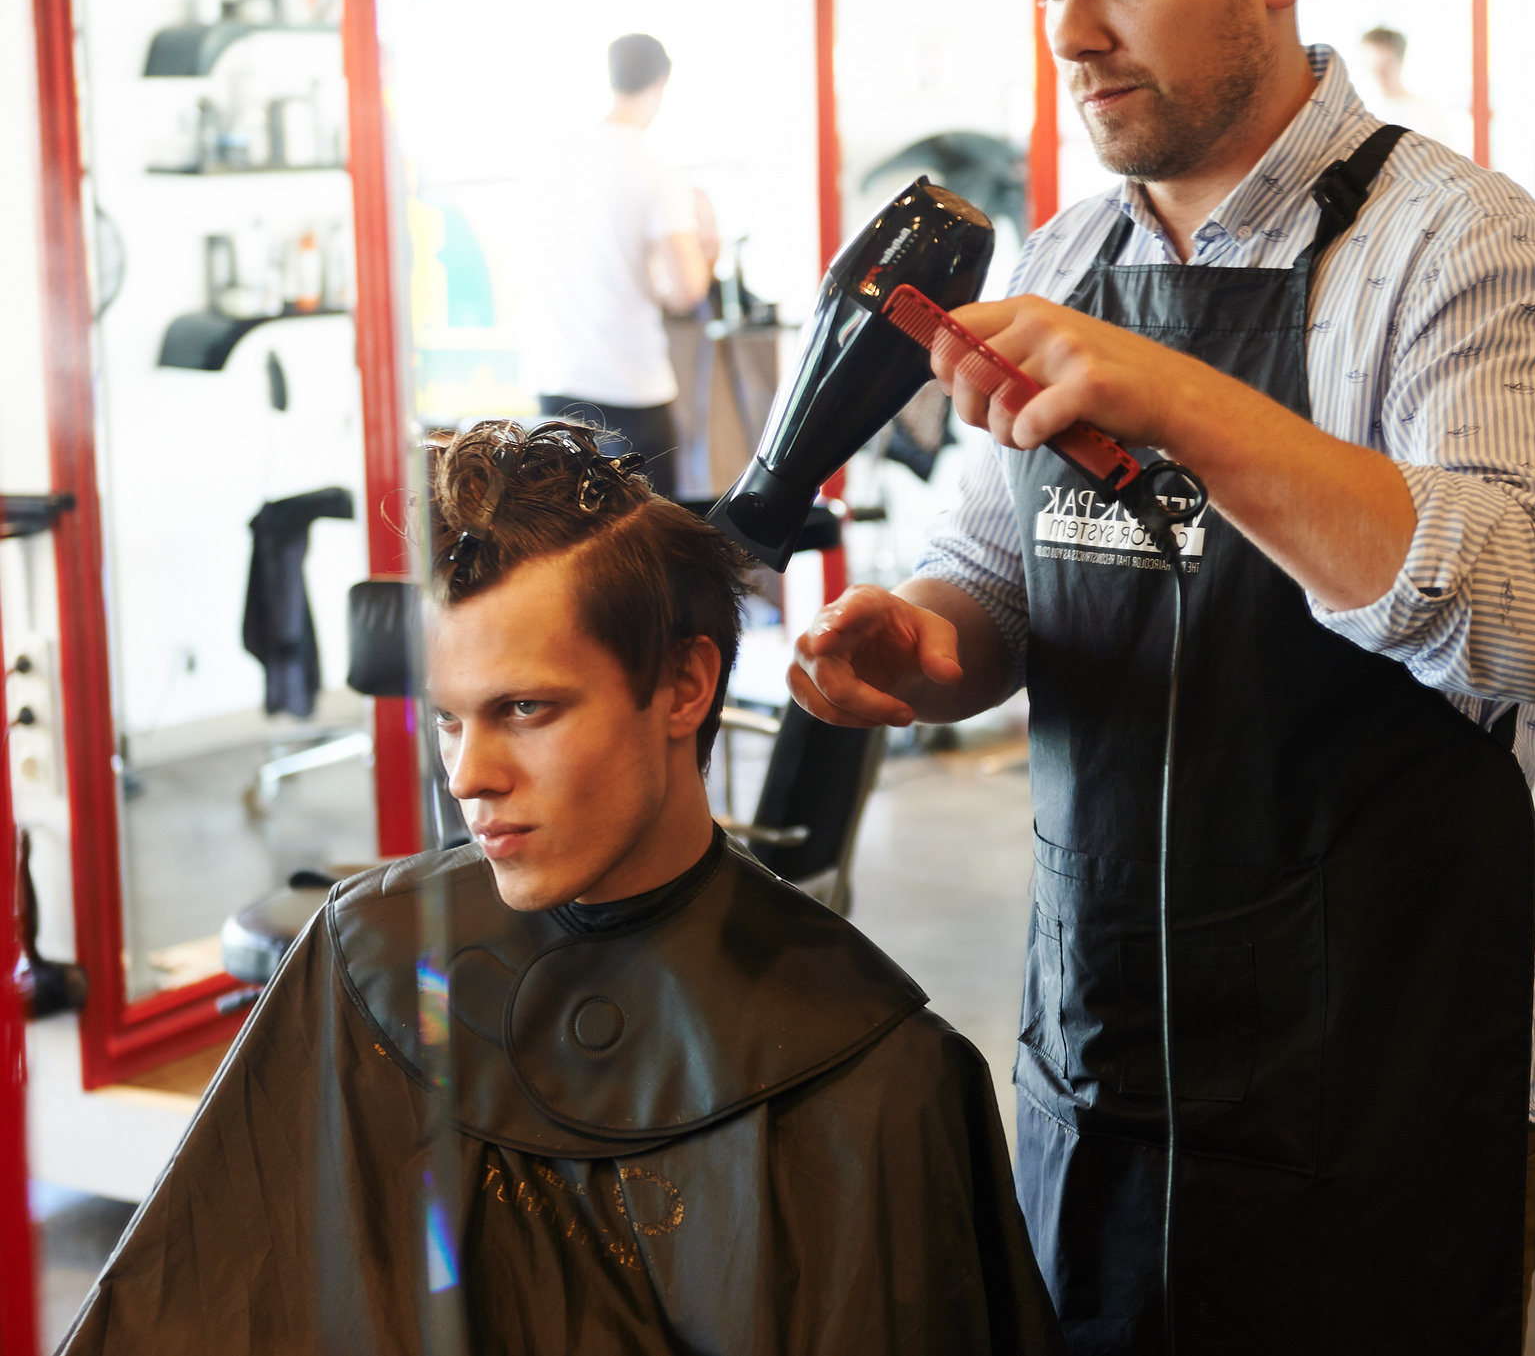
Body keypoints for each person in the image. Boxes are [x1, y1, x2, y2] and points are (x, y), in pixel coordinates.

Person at [792, 0, 1535, 1355]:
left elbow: (1527, 613)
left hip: (1379, 1097)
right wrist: (921, 643)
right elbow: (994, 577)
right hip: (1100, 1066)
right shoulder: (1066, 258)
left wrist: (1175, 394)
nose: (1074, 32)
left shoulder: (1465, 250)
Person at [60, 420, 1062, 1356]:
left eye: (526, 709)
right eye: (449, 719)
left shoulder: (876, 1075)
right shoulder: (369, 961)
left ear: (683, 685)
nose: (468, 776)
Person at [522, 34, 720, 493]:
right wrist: (709, 246)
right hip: (629, 388)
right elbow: (687, 290)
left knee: (567, 526)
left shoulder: (554, 157)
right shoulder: (655, 170)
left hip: (555, 380)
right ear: (661, 81)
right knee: (644, 531)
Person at [1360, 23, 1472, 153]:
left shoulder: (1429, 114)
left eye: (1386, 65)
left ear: (1400, 61)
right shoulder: (1358, 115)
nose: (1379, 74)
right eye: (1373, 67)